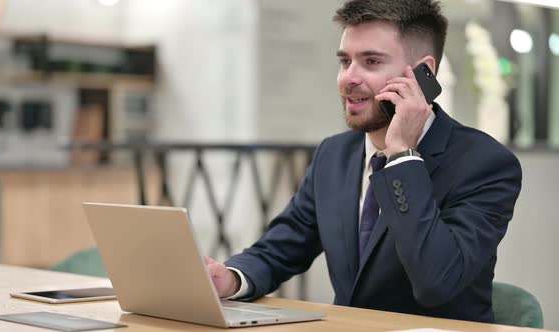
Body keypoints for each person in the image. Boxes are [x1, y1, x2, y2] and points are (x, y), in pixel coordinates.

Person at [204, 0, 522, 323]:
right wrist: (231, 277)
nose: (348, 79)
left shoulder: (487, 165)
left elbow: (436, 281)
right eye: (345, 61)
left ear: (424, 73)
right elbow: (283, 247)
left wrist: (402, 156)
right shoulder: (333, 155)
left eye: (370, 61)